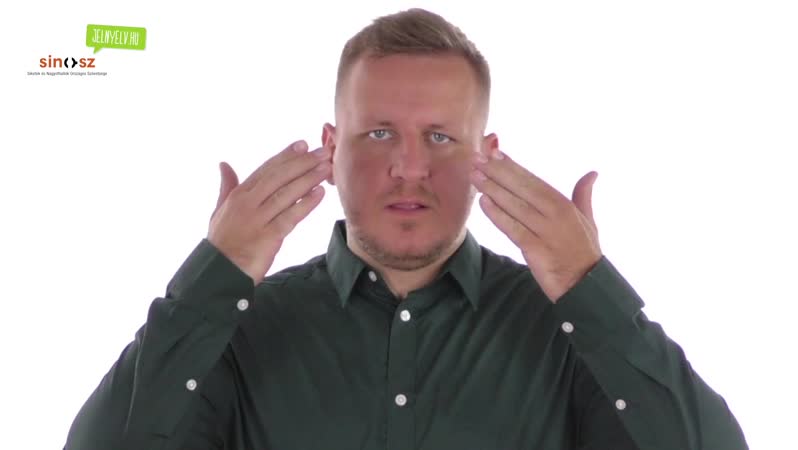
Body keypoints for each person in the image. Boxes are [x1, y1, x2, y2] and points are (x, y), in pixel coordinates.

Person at [64, 8, 749, 450]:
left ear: (487, 154)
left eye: (441, 136)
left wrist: (588, 287)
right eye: (380, 132)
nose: (410, 167)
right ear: (331, 147)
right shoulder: (238, 329)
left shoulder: (564, 332)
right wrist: (213, 279)